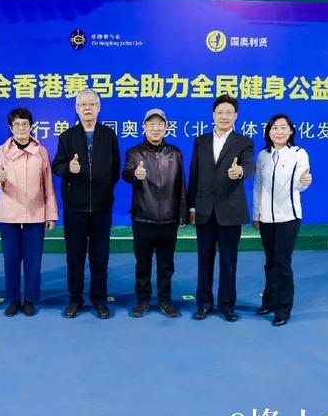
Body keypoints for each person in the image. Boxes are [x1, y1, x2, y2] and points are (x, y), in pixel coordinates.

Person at [52, 88, 120, 319]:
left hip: (101, 207)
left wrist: (103, 190)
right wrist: (68, 169)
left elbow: (115, 169)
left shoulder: (108, 135)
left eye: (92, 104)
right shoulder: (67, 137)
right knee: (75, 256)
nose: (87, 108)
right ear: (77, 108)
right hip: (75, 208)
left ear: (98, 107)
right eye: (83, 104)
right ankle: (75, 300)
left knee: (100, 257)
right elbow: (56, 167)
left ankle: (99, 300)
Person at [187, 94, 254, 322]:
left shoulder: (244, 142)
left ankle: (227, 305)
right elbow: (194, 174)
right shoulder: (201, 141)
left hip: (230, 211)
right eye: (220, 112)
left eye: (228, 113)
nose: (224, 116)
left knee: (228, 262)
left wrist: (240, 172)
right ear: (213, 115)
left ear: (236, 116)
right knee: (204, 261)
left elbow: (249, 165)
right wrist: (192, 207)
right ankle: (203, 304)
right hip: (204, 211)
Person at [0, 107, 58, 316]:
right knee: (11, 259)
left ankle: (30, 300)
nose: (21, 128)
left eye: (24, 124)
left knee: (33, 260)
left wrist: (50, 214)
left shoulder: (41, 151)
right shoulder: (2, 151)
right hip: (8, 214)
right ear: (11, 128)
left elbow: (48, 185)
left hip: (35, 213)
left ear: (31, 126)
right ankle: (13, 299)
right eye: (16, 125)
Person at [122, 108, 187, 318]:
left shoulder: (175, 153)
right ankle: (142, 300)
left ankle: (165, 301)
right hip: (143, 218)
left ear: (166, 127)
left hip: (169, 219)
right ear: (144, 127)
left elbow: (181, 185)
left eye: (160, 124)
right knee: (143, 264)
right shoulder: (134, 153)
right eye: (151, 124)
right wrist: (135, 173)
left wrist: (183, 214)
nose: (156, 128)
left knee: (166, 265)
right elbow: (126, 173)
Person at [253, 113, 312, 326]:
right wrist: (256, 214)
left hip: (289, 216)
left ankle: (283, 309)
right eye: (274, 128)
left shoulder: (298, 153)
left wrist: (305, 181)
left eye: (283, 127)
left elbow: (300, 184)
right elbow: (258, 186)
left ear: (291, 131)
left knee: (282, 263)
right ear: (268, 132)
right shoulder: (262, 156)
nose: (279, 132)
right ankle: (269, 301)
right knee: (270, 262)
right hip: (266, 219)